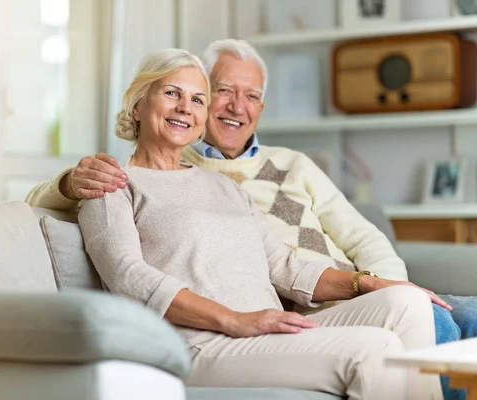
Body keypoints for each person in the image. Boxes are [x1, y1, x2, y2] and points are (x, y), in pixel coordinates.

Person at [25, 40, 471, 398]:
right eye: (172, 93)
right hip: (199, 344)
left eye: (196, 99)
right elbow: (128, 277)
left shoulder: (223, 185)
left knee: (410, 304)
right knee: (376, 351)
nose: (185, 106)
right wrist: (234, 319)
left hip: (265, 330)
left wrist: (372, 282)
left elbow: (286, 268)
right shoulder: (111, 184)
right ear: (138, 105)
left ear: (201, 119)